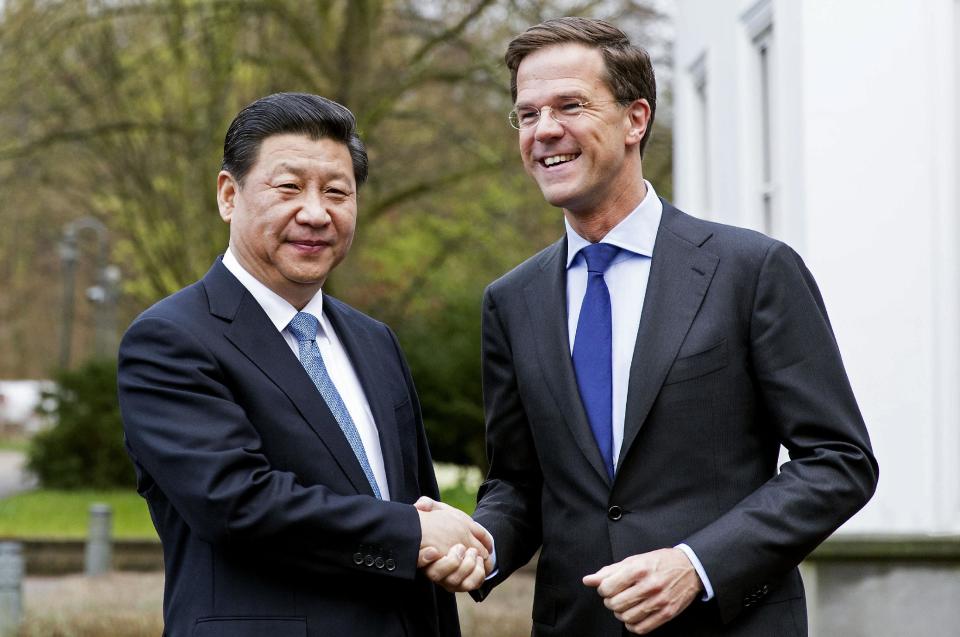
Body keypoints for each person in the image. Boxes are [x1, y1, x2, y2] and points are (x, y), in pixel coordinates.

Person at [456, 17, 878, 636]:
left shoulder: (752, 270)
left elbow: (839, 461)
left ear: (635, 119)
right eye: (526, 114)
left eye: (569, 106)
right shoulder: (510, 300)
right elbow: (520, 483)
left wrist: (698, 564)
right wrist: (478, 544)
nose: (544, 130)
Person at [117, 92, 491, 637]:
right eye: (288, 187)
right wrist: (409, 534)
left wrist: (443, 549)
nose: (316, 213)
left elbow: (416, 505)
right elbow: (236, 503)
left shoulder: (373, 340)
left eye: (337, 192)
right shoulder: (170, 340)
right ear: (229, 194)